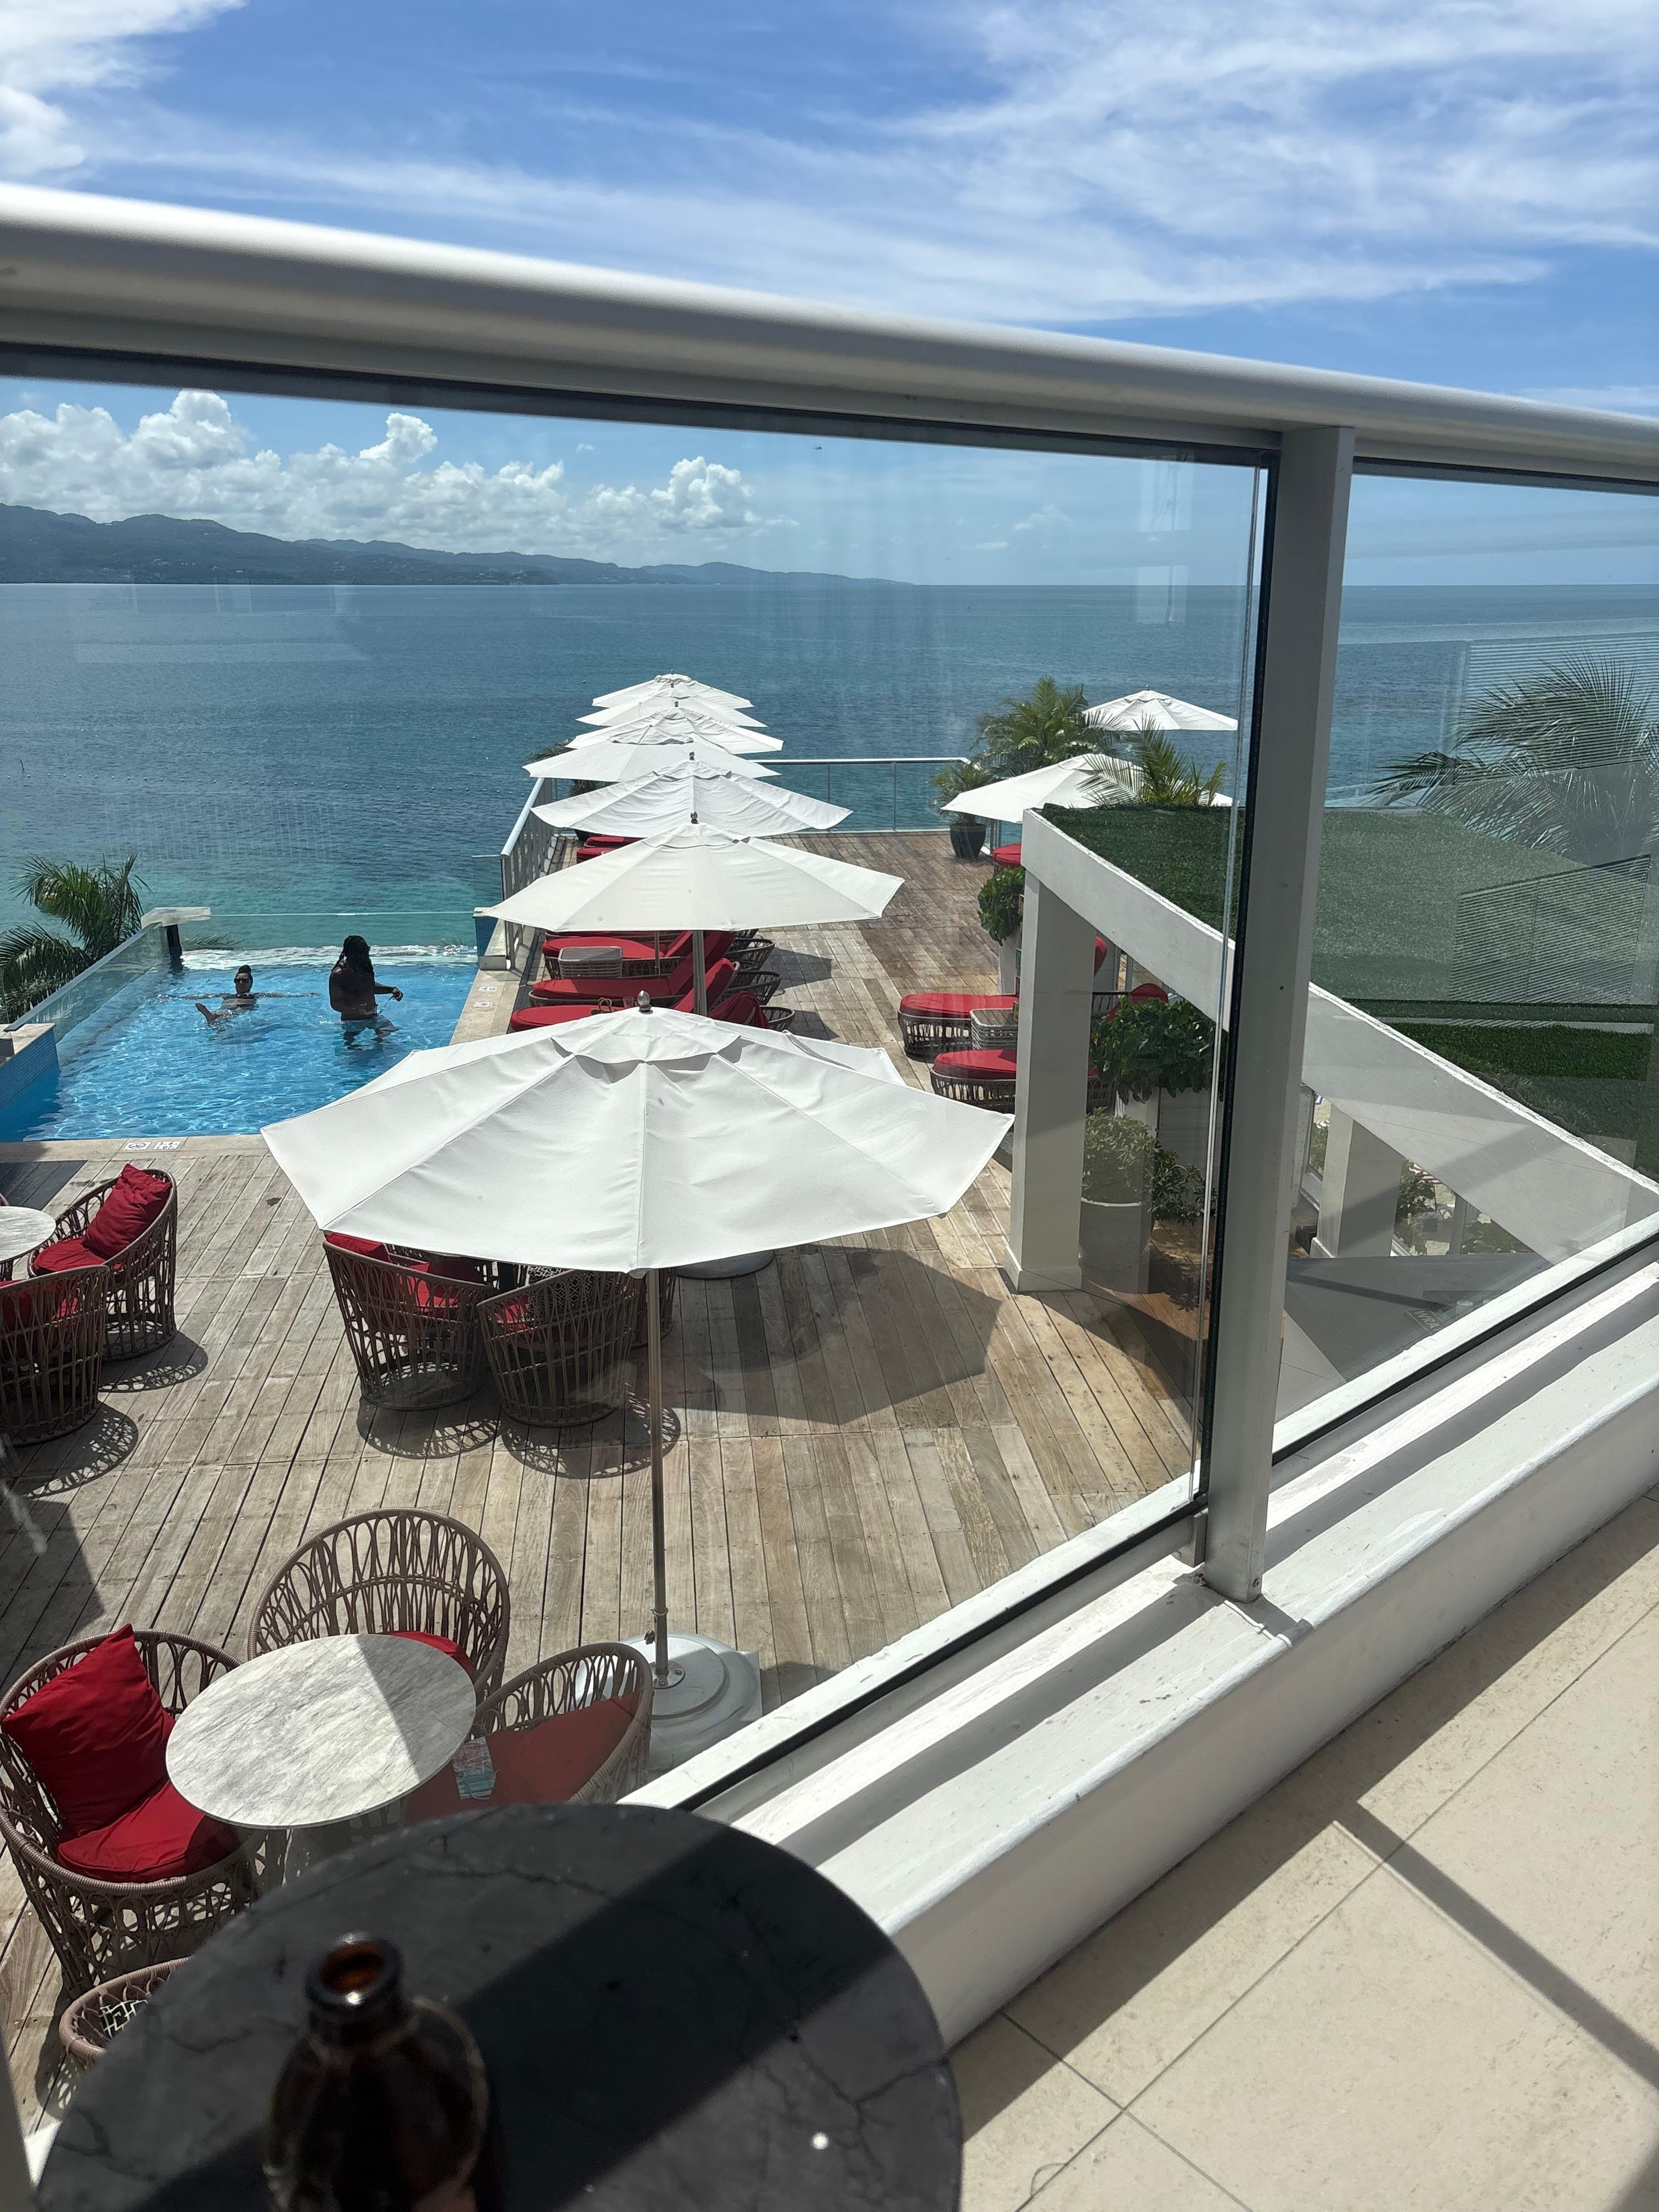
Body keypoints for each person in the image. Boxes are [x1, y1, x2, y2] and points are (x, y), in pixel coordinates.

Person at [330, 936, 403, 1041]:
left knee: (391, 1035)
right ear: (351, 954)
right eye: (362, 953)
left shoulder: (365, 965)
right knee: (352, 1049)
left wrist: (391, 990)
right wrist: (356, 1010)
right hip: (352, 1021)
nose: (366, 955)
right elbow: (335, 1003)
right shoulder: (339, 974)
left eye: (367, 951)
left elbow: (370, 986)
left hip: (373, 1017)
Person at [195, 964, 259, 1027]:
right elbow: (205, 996)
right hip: (224, 1011)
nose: (241, 983)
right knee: (223, 1012)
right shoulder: (226, 995)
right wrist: (188, 997)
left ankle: (212, 1017)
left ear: (251, 983)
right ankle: (213, 1017)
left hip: (242, 1009)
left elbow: (268, 995)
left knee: (234, 1012)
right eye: (237, 981)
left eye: (245, 981)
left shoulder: (254, 996)